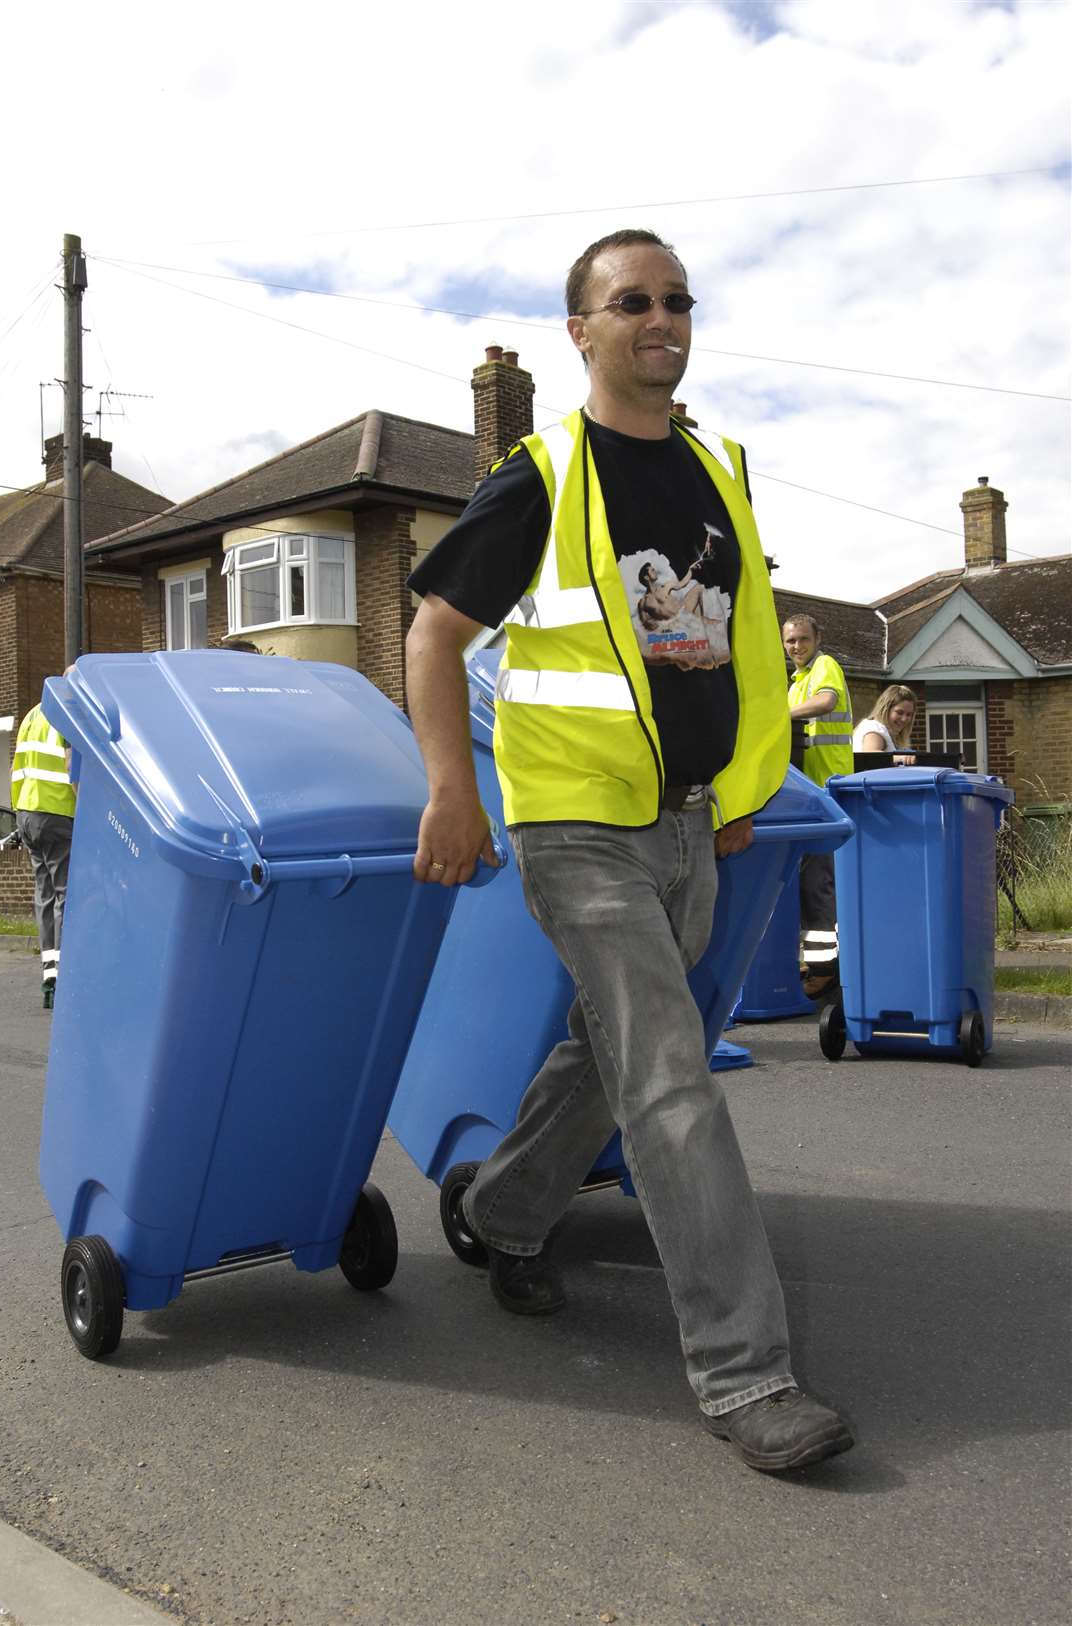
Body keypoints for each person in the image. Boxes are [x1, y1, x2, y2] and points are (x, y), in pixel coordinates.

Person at [405, 228, 853, 1473]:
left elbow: (738, 635)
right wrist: (453, 789)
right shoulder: (542, 475)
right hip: (575, 828)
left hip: (691, 823)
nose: (660, 317)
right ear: (581, 332)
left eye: (675, 299)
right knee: (669, 1071)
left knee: (608, 1055)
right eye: (630, 301)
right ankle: (746, 1371)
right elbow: (435, 635)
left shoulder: (716, 466)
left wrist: (750, 776)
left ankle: (500, 1211)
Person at [783, 614, 853, 1002]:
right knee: (812, 883)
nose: (796, 647)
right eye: (790, 641)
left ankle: (825, 970)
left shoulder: (824, 667)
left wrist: (780, 716)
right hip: (810, 798)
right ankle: (816, 964)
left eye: (802, 639)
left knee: (819, 884)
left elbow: (826, 702)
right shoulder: (794, 685)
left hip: (829, 792)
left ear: (817, 638)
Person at [10, 698, 76, 1008]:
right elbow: (69, 763)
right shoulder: (67, 711)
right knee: (65, 893)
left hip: (27, 812)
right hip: (58, 811)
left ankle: (49, 973)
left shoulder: (31, 716)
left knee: (45, 895)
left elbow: (16, 767)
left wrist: (19, 813)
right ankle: (64, 975)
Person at [853, 684, 917, 760]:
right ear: (886, 709)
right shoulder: (875, 728)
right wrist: (902, 758)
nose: (904, 719)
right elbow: (870, 754)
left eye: (909, 714)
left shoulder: (883, 730)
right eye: (899, 712)